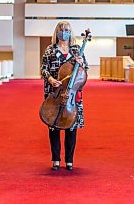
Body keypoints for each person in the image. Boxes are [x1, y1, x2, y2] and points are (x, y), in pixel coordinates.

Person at [40, 21, 88, 171]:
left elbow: (85, 70)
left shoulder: (76, 50)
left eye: (67, 30)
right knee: (53, 125)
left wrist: (81, 63)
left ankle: (69, 160)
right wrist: (50, 79)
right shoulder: (50, 50)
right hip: (54, 93)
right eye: (61, 29)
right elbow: (43, 69)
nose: (64, 32)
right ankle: (55, 159)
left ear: (70, 32)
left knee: (71, 126)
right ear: (57, 32)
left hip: (71, 94)